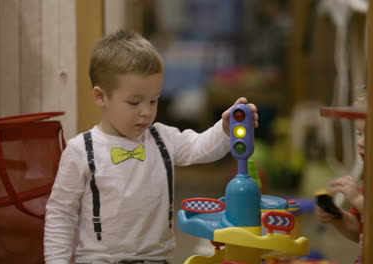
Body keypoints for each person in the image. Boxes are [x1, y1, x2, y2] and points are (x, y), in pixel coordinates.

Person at [44, 30, 258, 264]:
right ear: (100, 96)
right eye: (134, 102)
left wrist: (226, 128)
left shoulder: (162, 139)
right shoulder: (81, 150)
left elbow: (201, 148)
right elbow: (60, 215)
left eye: (154, 100)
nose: (146, 111)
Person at [315, 88, 366, 264]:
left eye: (369, 134)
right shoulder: (371, 181)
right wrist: (338, 218)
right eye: (359, 133)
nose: (360, 142)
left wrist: (358, 200)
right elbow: (361, 231)